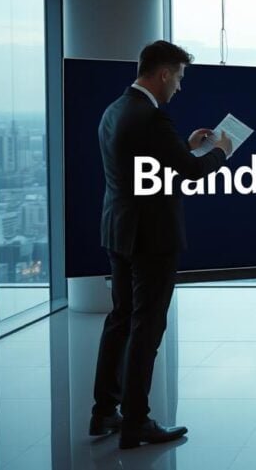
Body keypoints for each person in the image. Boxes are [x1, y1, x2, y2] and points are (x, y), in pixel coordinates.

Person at [90, 40, 234, 449]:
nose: (179, 87)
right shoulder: (152, 117)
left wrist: (184, 145)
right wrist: (221, 152)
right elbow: (191, 172)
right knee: (147, 326)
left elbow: (143, 161)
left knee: (120, 319)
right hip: (151, 236)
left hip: (119, 229)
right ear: (164, 73)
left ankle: (104, 411)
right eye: (179, 78)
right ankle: (136, 422)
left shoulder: (115, 110)